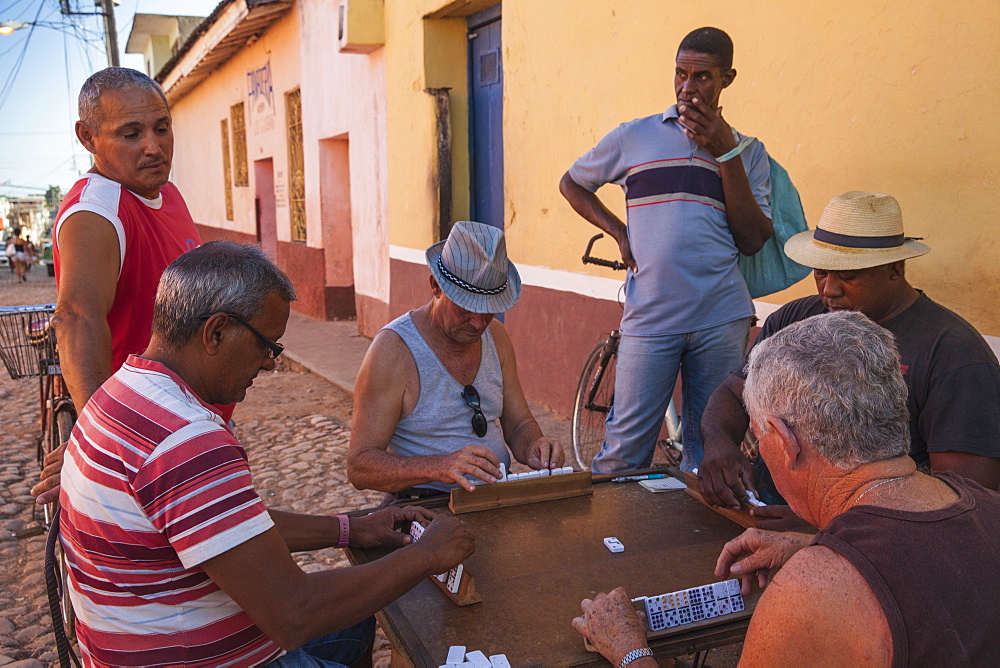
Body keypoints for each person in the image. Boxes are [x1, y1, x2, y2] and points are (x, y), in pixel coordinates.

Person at [60, 241, 475, 667]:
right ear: (215, 332)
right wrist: (426, 555)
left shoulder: (122, 392)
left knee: (353, 624)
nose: (269, 365)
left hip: (126, 648)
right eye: (267, 345)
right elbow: (295, 614)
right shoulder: (188, 440)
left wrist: (353, 528)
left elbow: (232, 528)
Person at [574, 311, 1000, 666]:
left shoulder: (811, 589)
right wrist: (818, 544)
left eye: (758, 438)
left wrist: (630, 650)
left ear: (783, 441)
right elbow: (920, 559)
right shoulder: (981, 503)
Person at [699, 191, 1000, 528]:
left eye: (848, 275)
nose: (829, 290)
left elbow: (965, 498)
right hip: (767, 508)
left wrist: (828, 525)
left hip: (881, 531)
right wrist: (719, 445)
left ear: (894, 269)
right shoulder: (796, 319)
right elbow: (731, 393)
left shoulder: (952, 353)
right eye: (821, 273)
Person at [559, 27, 772, 474]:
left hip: (721, 317)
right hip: (650, 315)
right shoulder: (635, 137)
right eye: (680, 74)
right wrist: (618, 231)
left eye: (703, 77)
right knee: (623, 454)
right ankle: (612, 541)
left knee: (711, 450)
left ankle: (696, 543)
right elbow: (572, 182)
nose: (687, 87)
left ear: (726, 79)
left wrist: (725, 152)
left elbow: (752, 239)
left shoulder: (749, 153)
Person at [32, 66, 202, 504]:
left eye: (161, 128)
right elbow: (75, 317)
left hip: (190, 420)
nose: (153, 146)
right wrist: (99, 441)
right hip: (146, 441)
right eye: (130, 134)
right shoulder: (97, 209)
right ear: (87, 138)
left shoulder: (167, 193)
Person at [347, 221, 565, 497]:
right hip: (426, 503)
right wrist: (438, 467)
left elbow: (519, 423)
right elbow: (359, 466)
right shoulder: (393, 350)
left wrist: (537, 447)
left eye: (489, 311)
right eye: (467, 308)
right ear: (435, 286)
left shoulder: (496, 337)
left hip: (494, 497)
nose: (478, 323)